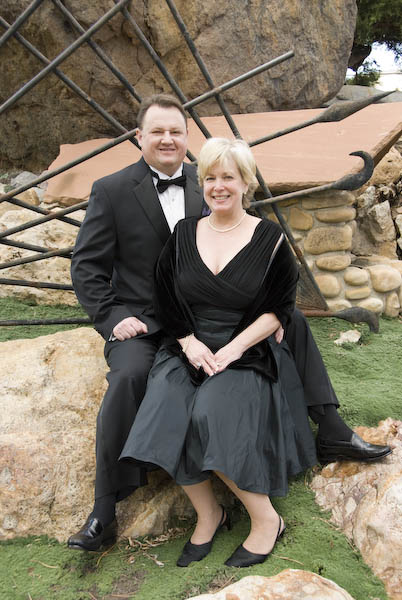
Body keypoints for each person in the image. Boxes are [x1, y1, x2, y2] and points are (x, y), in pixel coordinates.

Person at [68, 94, 390, 553]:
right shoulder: (111, 190)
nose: (167, 139)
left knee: (291, 320)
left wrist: (270, 315)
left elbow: (241, 243)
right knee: (129, 378)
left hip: (210, 312)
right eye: (157, 131)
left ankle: (330, 426)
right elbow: (86, 267)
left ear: (187, 138)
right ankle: (104, 508)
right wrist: (113, 317)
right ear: (139, 137)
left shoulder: (208, 179)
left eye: (175, 131)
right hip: (146, 321)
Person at [120, 137, 319, 567]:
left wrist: (233, 349)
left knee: (210, 413)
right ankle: (210, 513)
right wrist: (188, 343)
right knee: (167, 409)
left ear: (246, 182)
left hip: (244, 350)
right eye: (210, 178)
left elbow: (280, 308)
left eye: (228, 177)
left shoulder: (270, 239)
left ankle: (267, 520)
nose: (218, 186)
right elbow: (164, 297)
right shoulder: (183, 233)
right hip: (189, 347)